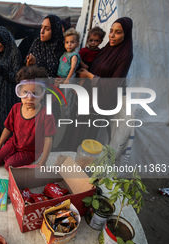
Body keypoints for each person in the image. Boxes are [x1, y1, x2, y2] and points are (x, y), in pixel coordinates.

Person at [57, 17, 134, 152]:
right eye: (111, 31)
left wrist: (89, 76)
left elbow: (113, 84)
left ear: (126, 34)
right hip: (85, 96)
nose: (112, 35)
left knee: (83, 133)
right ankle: (65, 154)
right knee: (74, 126)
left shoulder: (125, 55)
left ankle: (77, 161)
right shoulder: (107, 48)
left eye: (118, 32)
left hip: (97, 102)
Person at [0, 66, 56, 170]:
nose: (29, 98)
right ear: (19, 92)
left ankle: (9, 158)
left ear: (42, 95)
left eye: (35, 93)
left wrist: (43, 161)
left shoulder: (46, 115)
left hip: (30, 151)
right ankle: (8, 156)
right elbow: (7, 128)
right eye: (25, 93)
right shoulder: (15, 108)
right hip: (13, 143)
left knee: (8, 166)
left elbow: (48, 140)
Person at [0, 26, 22, 140]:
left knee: (7, 125)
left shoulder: (14, 53)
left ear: (5, 39)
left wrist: (0, 69)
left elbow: (17, 78)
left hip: (8, 99)